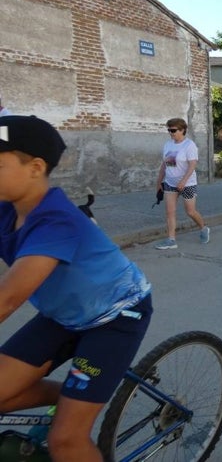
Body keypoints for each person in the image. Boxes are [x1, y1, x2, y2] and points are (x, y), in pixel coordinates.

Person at [0, 115, 153, 461]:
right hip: (64, 314)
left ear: (35, 167)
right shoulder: (6, 210)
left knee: (65, 441)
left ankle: (75, 410)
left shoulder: (57, 221)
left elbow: (7, 299)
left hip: (115, 317)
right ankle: (71, 399)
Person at [154, 118, 210, 250]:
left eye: (173, 130)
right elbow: (165, 164)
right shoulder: (168, 145)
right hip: (170, 183)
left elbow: (192, 165)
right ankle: (171, 240)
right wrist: (159, 181)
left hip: (187, 184)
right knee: (170, 212)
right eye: (169, 130)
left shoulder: (189, 145)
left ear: (182, 130)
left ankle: (203, 228)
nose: (171, 133)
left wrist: (184, 181)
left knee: (190, 211)